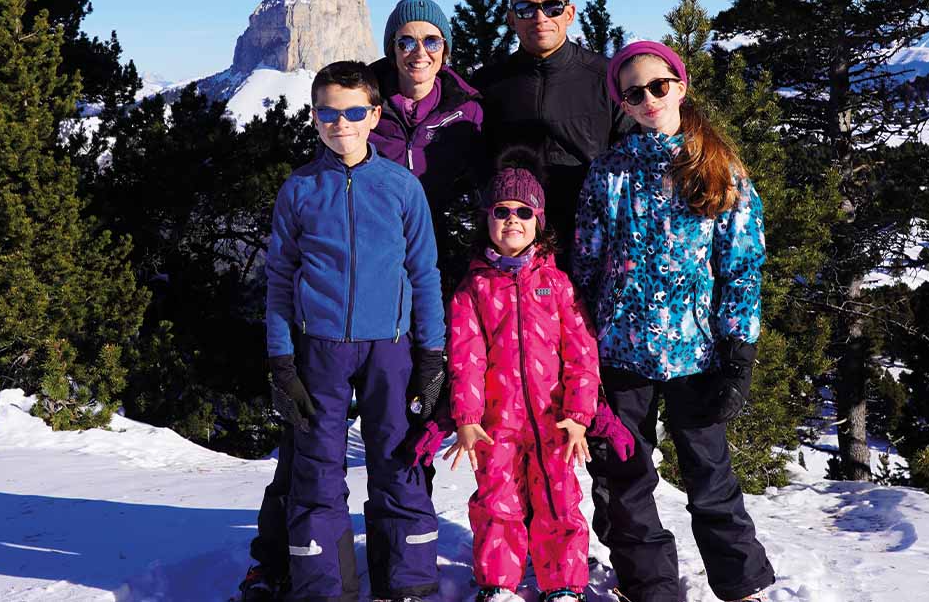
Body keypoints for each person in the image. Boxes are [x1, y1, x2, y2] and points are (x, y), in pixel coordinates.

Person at [572, 41, 775, 602]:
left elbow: (742, 267)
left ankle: (741, 585)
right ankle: (650, 586)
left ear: (679, 86)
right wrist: (580, 349)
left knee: (710, 479)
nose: (648, 99)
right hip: (618, 354)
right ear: (624, 103)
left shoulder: (718, 170)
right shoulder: (608, 173)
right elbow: (586, 269)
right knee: (624, 480)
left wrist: (738, 353)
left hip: (696, 354)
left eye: (658, 86)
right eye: (633, 93)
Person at [258, 60, 447, 602]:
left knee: (400, 460)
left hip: (392, 349)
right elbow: (278, 280)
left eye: (353, 112)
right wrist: (280, 361)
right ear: (314, 117)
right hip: (321, 350)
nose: (340, 123)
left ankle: (407, 583)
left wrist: (432, 357)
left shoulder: (401, 186)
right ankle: (323, 587)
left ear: (374, 115)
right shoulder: (299, 189)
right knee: (316, 470)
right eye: (327, 113)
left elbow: (424, 274)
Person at [443, 153, 601, 602]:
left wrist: (578, 413)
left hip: (555, 421)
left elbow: (581, 352)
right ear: (487, 219)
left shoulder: (557, 284)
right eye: (501, 211)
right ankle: (498, 584)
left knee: (560, 502)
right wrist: (468, 417)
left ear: (539, 220)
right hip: (497, 425)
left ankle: (564, 584)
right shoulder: (473, 289)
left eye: (524, 211)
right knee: (497, 504)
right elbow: (465, 358)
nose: (513, 219)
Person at [470, 0, 629, 262]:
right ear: (511, 18)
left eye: (552, 7)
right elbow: (474, 162)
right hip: (513, 249)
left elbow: (638, 158)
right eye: (526, 8)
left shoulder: (607, 79)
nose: (540, 17)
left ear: (569, 13)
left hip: (593, 244)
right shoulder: (487, 85)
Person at [368, 0, 486, 296]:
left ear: (444, 48)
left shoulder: (467, 109)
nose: (420, 52)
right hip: (376, 253)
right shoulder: (363, 107)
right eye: (406, 42)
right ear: (392, 50)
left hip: (445, 255)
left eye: (432, 41)